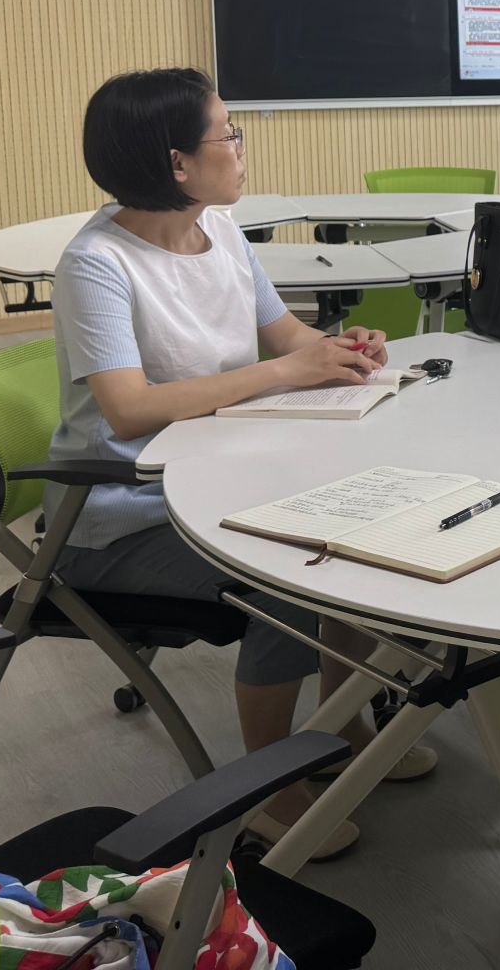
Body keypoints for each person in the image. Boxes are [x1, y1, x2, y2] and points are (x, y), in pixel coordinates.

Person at [49, 69, 435, 860]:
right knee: (286, 579)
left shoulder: (221, 230)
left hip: (223, 473)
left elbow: (285, 335)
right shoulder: (97, 263)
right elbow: (128, 410)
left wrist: (338, 350)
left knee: (357, 534)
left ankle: (342, 726)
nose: (240, 145)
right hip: (122, 512)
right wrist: (283, 372)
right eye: (227, 133)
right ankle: (267, 786)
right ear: (177, 164)